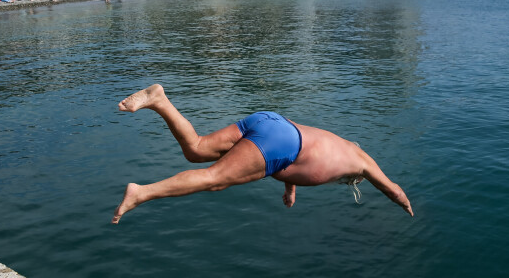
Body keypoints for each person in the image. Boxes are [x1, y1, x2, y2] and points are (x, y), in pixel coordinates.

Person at [112, 84, 414, 224]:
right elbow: (392, 189)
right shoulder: (362, 164)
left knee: (197, 149)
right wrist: (406, 206)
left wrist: (290, 189)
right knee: (215, 180)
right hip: (282, 142)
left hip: (272, 122)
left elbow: (302, 155)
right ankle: (141, 193)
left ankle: (158, 99)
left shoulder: (340, 143)